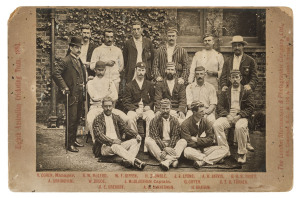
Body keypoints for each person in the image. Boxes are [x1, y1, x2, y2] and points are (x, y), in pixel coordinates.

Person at [92, 96, 146, 170]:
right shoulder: (98, 119)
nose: (108, 108)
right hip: (104, 147)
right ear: (102, 107)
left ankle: (127, 160)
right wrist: (112, 141)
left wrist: (136, 135)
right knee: (115, 146)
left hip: (118, 145)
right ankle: (134, 161)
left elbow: (125, 128)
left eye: (110, 106)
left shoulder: (116, 117)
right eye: (106, 106)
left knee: (136, 141)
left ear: (112, 106)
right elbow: (99, 135)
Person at [213, 70, 254, 164]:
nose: (235, 79)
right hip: (228, 116)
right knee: (216, 125)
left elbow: (250, 107)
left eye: (237, 77)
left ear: (241, 78)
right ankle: (225, 150)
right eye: (233, 77)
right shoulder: (225, 91)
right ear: (230, 79)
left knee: (240, 126)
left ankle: (242, 153)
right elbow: (219, 106)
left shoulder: (246, 91)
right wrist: (227, 115)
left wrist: (239, 116)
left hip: (241, 116)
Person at [53, 37, 86, 152]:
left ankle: (73, 140)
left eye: (79, 47)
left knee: (77, 119)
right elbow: (55, 73)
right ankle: (68, 144)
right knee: (71, 120)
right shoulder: (66, 60)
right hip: (71, 95)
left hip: (79, 95)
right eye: (76, 47)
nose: (78, 49)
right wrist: (64, 86)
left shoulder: (78, 60)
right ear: (71, 47)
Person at [86, 61, 129, 143]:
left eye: (102, 70)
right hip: (96, 107)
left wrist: (103, 97)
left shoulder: (109, 81)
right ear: (95, 70)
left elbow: (115, 96)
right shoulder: (91, 83)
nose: (100, 72)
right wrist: (108, 95)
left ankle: (121, 139)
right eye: (98, 70)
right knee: (90, 119)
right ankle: (96, 142)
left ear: (105, 70)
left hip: (109, 108)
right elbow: (94, 97)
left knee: (126, 118)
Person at [181, 101, 229, 169]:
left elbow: (211, 140)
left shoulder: (206, 121)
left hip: (205, 149)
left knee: (225, 149)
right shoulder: (185, 124)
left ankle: (201, 161)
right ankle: (211, 159)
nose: (204, 113)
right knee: (186, 151)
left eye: (204, 111)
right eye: (201, 111)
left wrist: (197, 140)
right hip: (193, 150)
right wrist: (204, 141)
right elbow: (188, 143)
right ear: (194, 112)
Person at [145, 99, 187, 171]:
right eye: (163, 108)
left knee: (183, 141)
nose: (165, 111)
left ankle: (166, 161)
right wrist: (164, 148)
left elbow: (175, 137)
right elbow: (155, 137)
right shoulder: (154, 120)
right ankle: (172, 160)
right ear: (160, 108)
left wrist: (168, 148)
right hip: (158, 145)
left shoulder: (175, 120)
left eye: (167, 108)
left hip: (172, 145)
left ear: (170, 108)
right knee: (148, 140)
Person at [123, 62, 155, 152]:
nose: (141, 72)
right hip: (134, 109)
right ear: (136, 71)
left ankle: (148, 144)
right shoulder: (129, 85)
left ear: (145, 71)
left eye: (143, 70)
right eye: (139, 70)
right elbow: (126, 101)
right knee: (130, 117)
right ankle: (135, 141)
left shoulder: (149, 84)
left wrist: (149, 106)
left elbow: (153, 99)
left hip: (146, 109)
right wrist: (135, 109)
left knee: (151, 116)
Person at [90, 28, 124, 93]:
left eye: (111, 37)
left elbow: (121, 66)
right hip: (101, 81)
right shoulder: (97, 50)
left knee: (113, 100)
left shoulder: (118, 50)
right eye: (107, 37)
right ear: (104, 38)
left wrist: (115, 73)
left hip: (114, 81)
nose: (109, 39)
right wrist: (105, 63)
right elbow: (92, 66)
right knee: (101, 100)